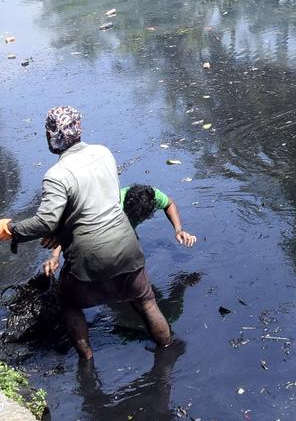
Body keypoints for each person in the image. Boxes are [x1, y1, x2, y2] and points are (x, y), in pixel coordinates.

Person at [0, 107, 174, 360]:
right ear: (78, 129)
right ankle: (168, 350)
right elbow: (101, 205)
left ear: (51, 135)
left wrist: (10, 230)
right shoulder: (103, 153)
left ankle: (87, 364)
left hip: (88, 255)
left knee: (69, 304)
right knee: (146, 299)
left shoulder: (56, 175)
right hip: (127, 246)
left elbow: (46, 222)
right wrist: (62, 232)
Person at [42, 184, 197, 277]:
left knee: (135, 261)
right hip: (105, 232)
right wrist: (55, 257)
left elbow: (169, 204)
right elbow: (72, 227)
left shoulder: (152, 195)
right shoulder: (109, 206)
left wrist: (178, 230)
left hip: (126, 231)